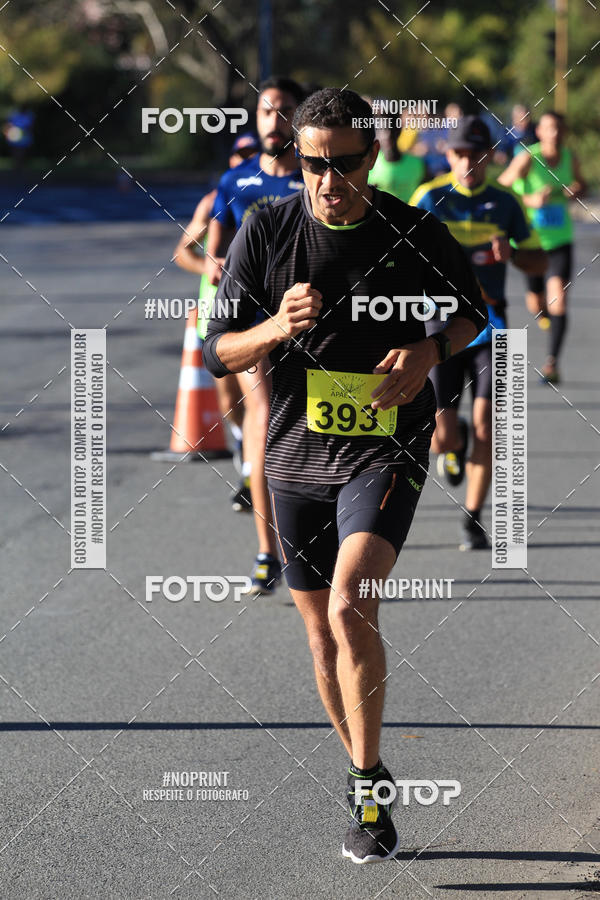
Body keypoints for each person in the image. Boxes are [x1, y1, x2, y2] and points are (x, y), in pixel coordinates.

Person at [203, 88, 488, 863]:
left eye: (346, 164)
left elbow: (475, 313)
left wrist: (431, 351)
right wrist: (272, 326)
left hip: (386, 444)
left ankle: (367, 789)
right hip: (294, 455)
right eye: (311, 163)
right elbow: (216, 351)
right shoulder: (267, 229)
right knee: (321, 639)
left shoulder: (413, 229)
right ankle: (366, 773)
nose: (327, 181)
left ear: (374, 156)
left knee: (352, 600)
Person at [410, 116, 546, 550]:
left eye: (476, 153)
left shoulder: (506, 202)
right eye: (459, 153)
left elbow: (538, 263)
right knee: (442, 435)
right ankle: (456, 441)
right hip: (442, 328)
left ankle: (473, 516)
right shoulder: (429, 198)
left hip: (496, 327)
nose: (468, 161)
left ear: (490, 155)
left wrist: (515, 255)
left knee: (491, 424)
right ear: (447, 155)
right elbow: (402, 262)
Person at [202, 77, 305, 594]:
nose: (273, 120)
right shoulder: (236, 182)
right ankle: (268, 553)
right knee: (263, 426)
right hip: (252, 324)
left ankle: (317, 539)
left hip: (311, 323)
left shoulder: (318, 180)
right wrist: (218, 270)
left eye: (284, 111)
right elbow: (208, 247)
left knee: (315, 432)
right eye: (266, 111)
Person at [173, 134, 260, 466]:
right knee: (230, 399)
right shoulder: (213, 202)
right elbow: (182, 252)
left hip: (256, 312)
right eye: (241, 155)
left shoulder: (272, 199)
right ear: (232, 161)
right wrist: (210, 266)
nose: (246, 161)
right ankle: (241, 438)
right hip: (216, 309)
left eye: (253, 155)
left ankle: (255, 465)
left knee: (260, 397)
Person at [498, 111, 586, 383]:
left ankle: (552, 364)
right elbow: (502, 188)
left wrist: (575, 190)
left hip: (560, 240)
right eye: (549, 128)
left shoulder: (569, 157)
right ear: (540, 132)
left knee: (559, 297)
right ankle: (544, 315)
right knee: (535, 303)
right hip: (530, 242)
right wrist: (530, 200)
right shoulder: (528, 157)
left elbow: (583, 184)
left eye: (559, 128)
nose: (555, 133)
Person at [368, 116, 425, 203]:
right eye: (383, 130)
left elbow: (426, 194)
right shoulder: (369, 164)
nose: (388, 135)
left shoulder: (417, 163)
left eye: (392, 129)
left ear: (399, 131)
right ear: (376, 134)